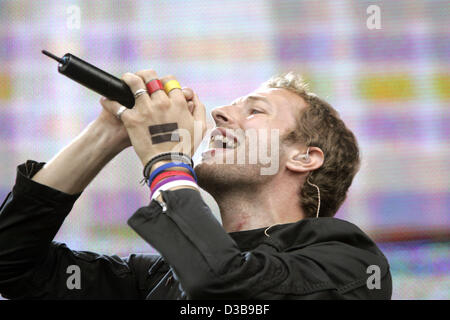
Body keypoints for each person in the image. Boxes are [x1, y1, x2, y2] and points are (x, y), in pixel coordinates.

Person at [0, 71, 392, 299]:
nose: (220, 113)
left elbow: (223, 283)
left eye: (254, 110)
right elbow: (12, 264)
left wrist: (166, 161)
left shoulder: (349, 265)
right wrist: (107, 133)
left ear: (303, 158)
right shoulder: (159, 279)